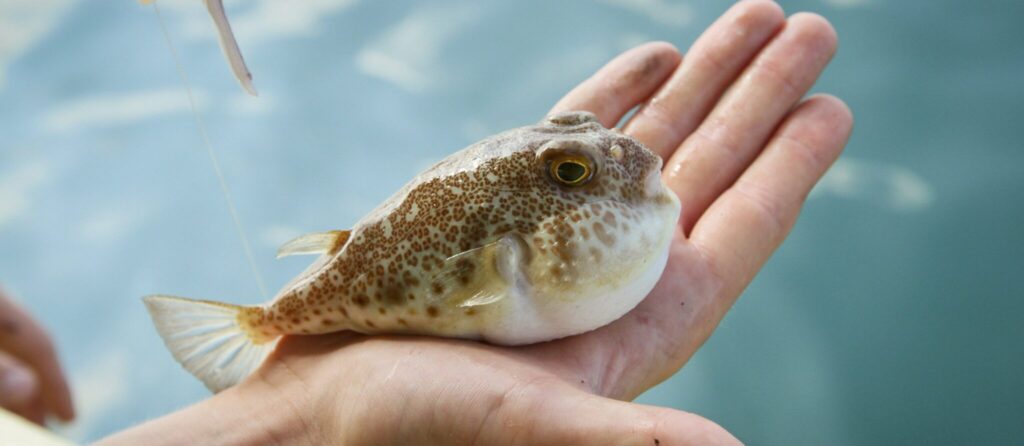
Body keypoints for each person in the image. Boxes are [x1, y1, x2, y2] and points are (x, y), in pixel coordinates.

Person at [2, 1, 852, 444]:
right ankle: (257, 334)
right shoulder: (511, 248)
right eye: (571, 169)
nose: (616, 161)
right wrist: (304, 416)